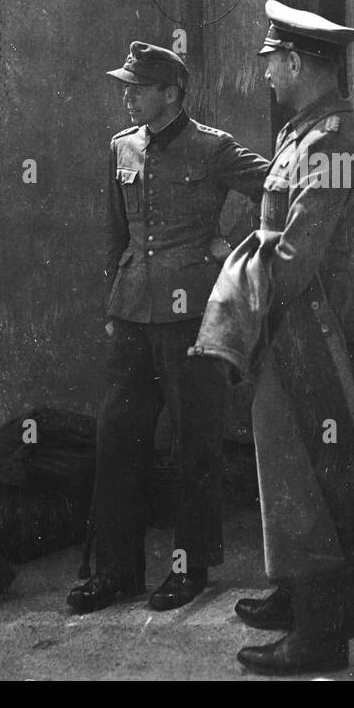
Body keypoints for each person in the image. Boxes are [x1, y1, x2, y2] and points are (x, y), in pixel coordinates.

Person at [194, 0, 354, 676]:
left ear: (300, 61)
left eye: (272, 61)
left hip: (313, 324)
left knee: (311, 477)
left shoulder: (332, 140)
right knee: (286, 465)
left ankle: (319, 636)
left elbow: (296, 256)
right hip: (291, 320)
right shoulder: (305, 129)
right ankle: (295, 594)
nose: (266, 74)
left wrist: (235, 274)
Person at [66, 41, 269, 615]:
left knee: (195, 446)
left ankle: (190, 568)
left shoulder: (213, 147)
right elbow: (116, 234)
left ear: (171, 94)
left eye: (138, 87)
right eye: (126, 86)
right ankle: (117, 571)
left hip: (191, 320)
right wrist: (115, 302)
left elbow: (275, 186)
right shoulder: (121, 148)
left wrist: (232, 249)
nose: (127, 95)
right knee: (117, 441)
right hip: (132, 314)